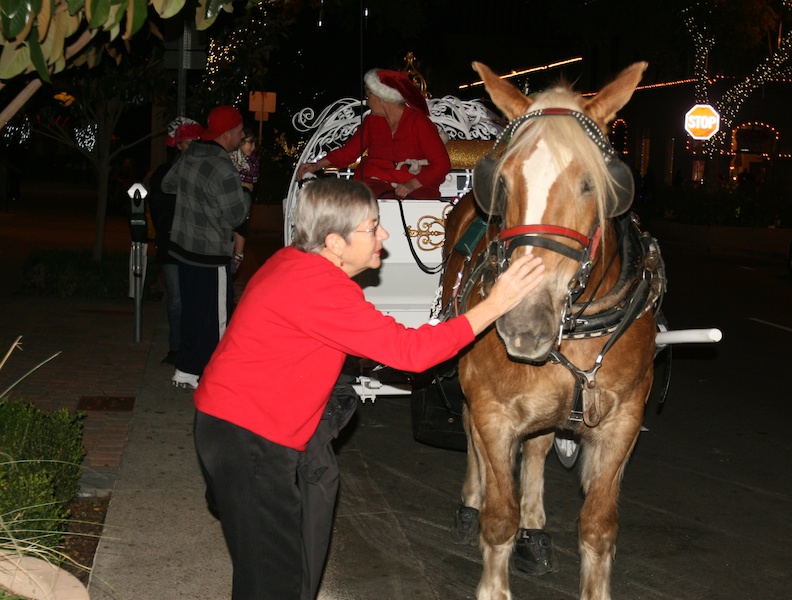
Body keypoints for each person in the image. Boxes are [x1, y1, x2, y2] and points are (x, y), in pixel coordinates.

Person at [192, 178, 544, 599]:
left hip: (229, 426)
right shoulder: (321, 288)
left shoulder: (293, 262)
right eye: (372, 226)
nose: (384, 235)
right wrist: (497, 303)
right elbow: (410, 354)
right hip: (249, 441)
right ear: (335, 243)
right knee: (273, 582)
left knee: (270, 568)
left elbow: (353, 335)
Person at [162, 106, 250, 390]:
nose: (241, 136)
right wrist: (246, 191)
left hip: (183, 249)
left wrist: (197, 193)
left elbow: (168, 184)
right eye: (239, 131)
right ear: (227, 134)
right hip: (210, 254)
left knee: (192, 312)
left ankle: (187, 370)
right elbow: (237, 216)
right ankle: (216, 377)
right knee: (216, 319)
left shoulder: (192, 154)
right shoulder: (223, 167)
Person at [296, 68, 451, 199]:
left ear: (381, 98)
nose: (367, 101)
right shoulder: (372, 121)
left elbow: (442, 164)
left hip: (415, 186)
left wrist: (412, 184)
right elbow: (348, 152)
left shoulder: (419, 122)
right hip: (376, 182)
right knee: (354, 199)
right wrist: (316, 166)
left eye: (368, 96)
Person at [148, 117, 202, 365]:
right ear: (178, 144)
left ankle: (192, 348)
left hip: (196, 245)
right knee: (177, 299)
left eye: (195, 141)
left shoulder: (202, 172)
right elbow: (159, 209)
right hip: (172, 245)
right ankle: (176, 348)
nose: (192, 146)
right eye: (187, 141)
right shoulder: (163, 173)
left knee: (194, 298)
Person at [229, 127, 260, 273]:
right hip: (229, 199)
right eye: (249, 143)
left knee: (241, 224)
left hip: (241, 198)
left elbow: (252, 179)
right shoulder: (229, 156)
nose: (253, 148)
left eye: (254, 144)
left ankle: (238, 254)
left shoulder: (252, 161)